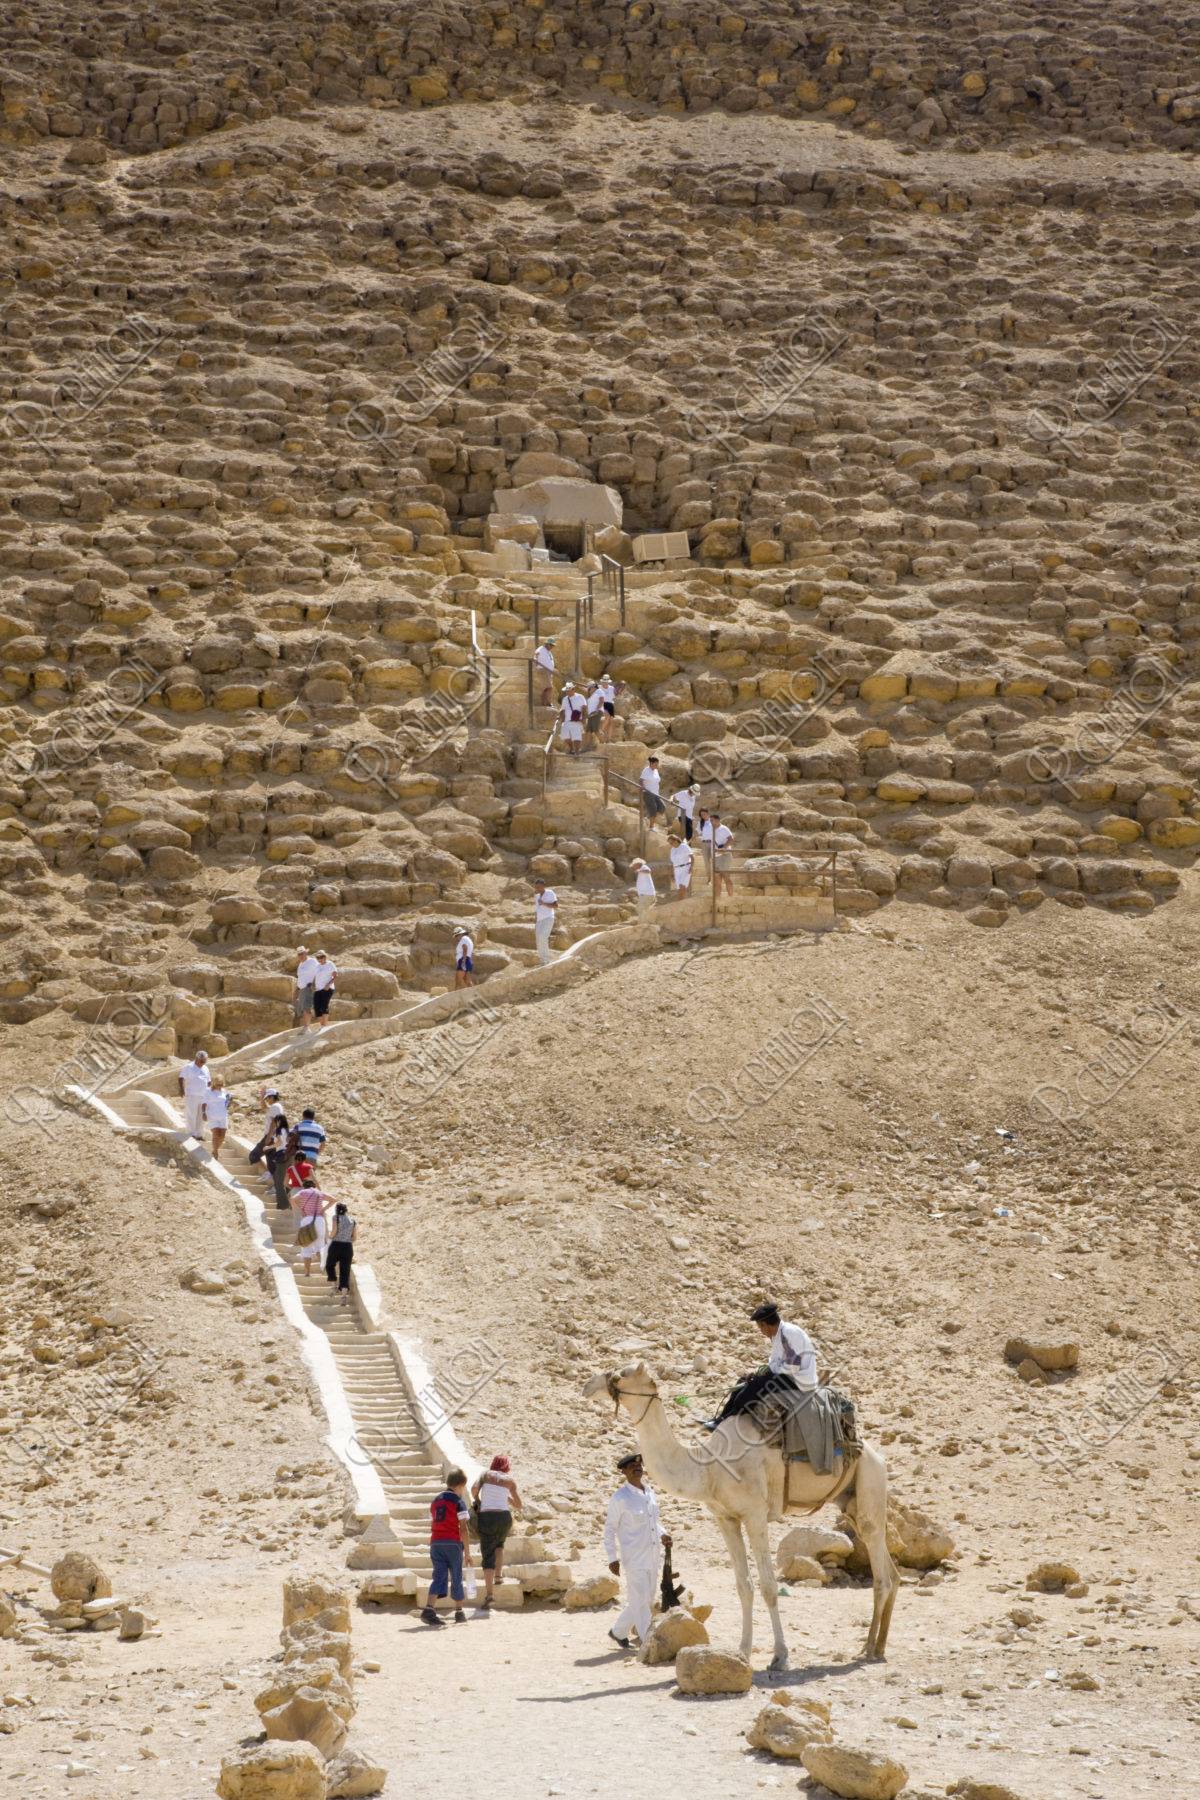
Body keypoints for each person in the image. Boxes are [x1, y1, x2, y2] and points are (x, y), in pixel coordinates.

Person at [709, 1302, 818, 1426]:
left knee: (754, 1386)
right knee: (743, 1380)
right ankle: (720, 1418)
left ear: (765, 1325)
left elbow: (793, 1366)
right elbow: (775, 1361)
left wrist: (767, 1373)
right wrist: (760, 1372)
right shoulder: (778, 1334)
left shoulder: (789, 1333)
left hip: (799, 1381)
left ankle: (727, 1420)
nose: (761, 1331)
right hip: (787, 1375)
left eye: (760, 1327)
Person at [604, 1452, 671, 1650]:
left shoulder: (649, 1493)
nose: (636, 1467)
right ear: (623, 1471)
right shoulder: (620, 1498)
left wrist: (663, 1534)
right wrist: (612, 1558)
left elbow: (653, 1522)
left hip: (652, 1555)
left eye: (638, 1464)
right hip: (633, 1557)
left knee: (645, 1598)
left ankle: (618, 1632)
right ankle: (648, 1642)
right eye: (631, 1465)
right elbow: (610, 1529)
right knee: (641, 1601)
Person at [421, 1469, 474, 1626]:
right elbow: (463, 1529)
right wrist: (468, 1553)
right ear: (460, 1485)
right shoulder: (459, 1502)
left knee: (439, 1576)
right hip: (452, 1543)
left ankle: (429, 1609)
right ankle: (459, 1612)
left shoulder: (436, 1501)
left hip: (436, 1543)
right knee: (456, 1575)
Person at [471, 1454, 524, 1607]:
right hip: (504, 1518)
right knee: (499, 1545)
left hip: (487, 1517)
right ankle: (499, 1576)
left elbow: (474, 1488)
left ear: (493, 1464)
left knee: (487, 1555)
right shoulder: (510, 1481)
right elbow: (518, 1505)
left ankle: (489, 1595)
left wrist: (479, 1502)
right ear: (507, 1466)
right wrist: (505, 1497)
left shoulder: (485, 1475)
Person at [291, 1177, 333, 1278]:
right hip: (319, 1220)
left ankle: (307, 1273)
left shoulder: (303, 1192)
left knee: (306, 1247)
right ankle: (325, 1270)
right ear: (313, 1185)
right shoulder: (319, 1193)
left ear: (304, 1186)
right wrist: (323, 1209)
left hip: (306, 1219)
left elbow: (292, 1199)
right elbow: (333, 1199)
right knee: (320, 1246)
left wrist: (300, 1210)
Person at [325, 1201, 356, 1301]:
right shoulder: (353, 1220)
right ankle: (343, 1296)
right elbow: (354, 1237)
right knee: (345, 1271)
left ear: (337, 1210)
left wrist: (329, 1236)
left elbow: (334, 1231)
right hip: (348, 1247)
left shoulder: (336, 1217)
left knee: (329, 1265)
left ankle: (334, 1286)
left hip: (336, 1245)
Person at [177, 1051, 211, 1137]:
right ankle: (191, 1134)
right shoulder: (188, 1067)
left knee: (201, 1115)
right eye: (201, 1061)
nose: (203, 1063)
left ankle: (199, 1134)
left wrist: (209, 1093)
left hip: (203, 1095)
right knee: (191, 1114)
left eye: (204, 1061)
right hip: (192, 1094)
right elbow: (181, 1078)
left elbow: (209, 1081)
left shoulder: (206, 1068)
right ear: (196, 1059)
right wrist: (182, 1089)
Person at [293, 947, 320, 1030]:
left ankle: (307, 1027)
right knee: (302, 1009)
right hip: (301, 989)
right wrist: (296, 990)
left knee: (306, 1007)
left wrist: (314, 984)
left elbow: (319, 971)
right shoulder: (300, 965)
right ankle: (306, 1026)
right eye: (299, 954)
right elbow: (300, 978)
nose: (300, 955)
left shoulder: (312, 961)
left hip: (309, 988)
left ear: (306, 953)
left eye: (302, 953)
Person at [205, 1076, 230, 1162]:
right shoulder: (208, 1091)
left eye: (221, 1084)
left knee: (222, 1137)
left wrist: (229, 1102)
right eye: (218, 1084)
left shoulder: (224, 1092)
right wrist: (204, 1113)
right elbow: (204, 1103)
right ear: (214, 1083)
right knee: (216, 1134)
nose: (220, 1086)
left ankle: (214, 1149)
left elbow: (226, 1103)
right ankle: (215, 1151)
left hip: (223, 1115)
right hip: (212, 1115)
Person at [533, 879, 557, 965]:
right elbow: (537, 910)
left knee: (543, 937)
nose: (537, 889)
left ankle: (546, 960)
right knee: (538, 940)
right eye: (536, 887)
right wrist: (535, 921)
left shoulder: (550, 893)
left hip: (548, 918)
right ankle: (542, 960)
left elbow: (555, 905)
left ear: (543, 886)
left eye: (539, 887)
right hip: (539, 920)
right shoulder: (536, 896)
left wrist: (544, 903)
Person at [711, 812, 734, 898]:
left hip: (724, 856)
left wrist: (723, 848)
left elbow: (731, 839)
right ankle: (717, 899)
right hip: (716, 856)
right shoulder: (712, 830)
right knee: (717, 880)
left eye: (712, 820)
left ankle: (731, 897)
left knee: (726, 877)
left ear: (717, 820)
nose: (711, 822)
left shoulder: (724, 828)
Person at [559, 681, 585, 756]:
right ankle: (572, 748)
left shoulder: (580, 697)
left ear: (573, 689)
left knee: (577, 737)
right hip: (567, 720)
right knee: (565, 737)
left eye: (568, 690)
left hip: (577, 720)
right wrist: (560, 717)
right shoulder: (565, 699)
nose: (567, 692)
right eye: (566, 691)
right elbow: (562, 709)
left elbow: (584, 708)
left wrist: (584, 718)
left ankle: (577, 752)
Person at [639, 755, 665, 828]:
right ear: (651, 763)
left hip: (656, 793)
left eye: (657, 764)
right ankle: (651, 827)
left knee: (662, 807)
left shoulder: (656, 771)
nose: (657, 765)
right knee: (653, 809)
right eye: (655, 764)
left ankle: (648, 818)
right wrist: (642, 787)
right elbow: (641, 780)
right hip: (648, 793)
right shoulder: (646, 770)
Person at [312, 951, 337, 1021]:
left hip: (327, 988)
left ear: (325, 957)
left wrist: (328, 985)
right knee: (316, 1007)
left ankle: (324, 1026)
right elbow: (316, 977)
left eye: (321, 957)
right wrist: (313, 986)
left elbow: (335, 975)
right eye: (318, 957)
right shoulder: (317, 966)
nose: (320, 959)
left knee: (324, 1006)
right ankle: (322, 1025)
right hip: (318, 989)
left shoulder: (330, 964)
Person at [667, 831, 693, 899]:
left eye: (671, 842)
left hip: (685, 868)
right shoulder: (672, 849)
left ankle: (682, 904)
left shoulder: (684, 846)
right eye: (669, 843)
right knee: (679, 889)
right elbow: (672, 863)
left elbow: (692, 857)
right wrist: (672, 874)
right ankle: (680, 904)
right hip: (676, 870)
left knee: (683, 887)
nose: (671, 844)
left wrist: (691, 867)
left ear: (675, 840)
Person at [597, 672, 619, 744]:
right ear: (602, 681)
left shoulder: (612, 688)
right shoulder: (599, 687)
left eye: (606, 682)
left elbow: (615, 695)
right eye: (604, 682)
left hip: (610, 704)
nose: (605, 683)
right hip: (603, 704)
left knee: (610, 723)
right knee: (607, 717)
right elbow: (589, 689)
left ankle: (608, 739)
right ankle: (601, 730)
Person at [533, 638, 556, 707]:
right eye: (551, 645)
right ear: (547, 644)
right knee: (549, 687)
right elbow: (536, 656)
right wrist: (536, 664)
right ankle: (547, 703)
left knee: (547, 687)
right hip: (544, 670)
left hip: (548, 671)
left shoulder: (548, 651)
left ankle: (546, 703)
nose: (552, 647)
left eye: (553, 645)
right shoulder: (541, 649)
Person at [584, 680, 604, 746]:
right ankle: (586, 747)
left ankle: (604, 744)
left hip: (597, 712)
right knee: (588, 731)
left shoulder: (599, 691)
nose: (588, 690)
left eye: (589, 688)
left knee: (596, 730)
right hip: (591, 714)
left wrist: (597, 710)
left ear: (593, 687)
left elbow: (601, 700)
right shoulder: (592, 695)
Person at [697, 808, 713, 880]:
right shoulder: (700, 823)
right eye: (701, 815)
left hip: (713, 843)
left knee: (714, 861)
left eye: (704, 814)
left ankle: (715, 878)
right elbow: (698, 833)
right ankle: (709, 878)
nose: (703, 816)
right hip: (704, 844)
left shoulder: (713, 821)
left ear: (708, 813)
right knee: (706, 862)